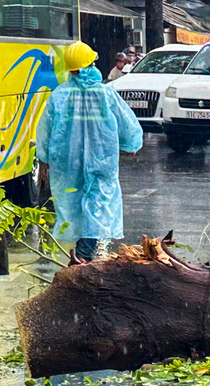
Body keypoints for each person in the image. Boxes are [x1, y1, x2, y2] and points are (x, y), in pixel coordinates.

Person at [36, 41, 145, 261]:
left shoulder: (60, 95)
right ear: (90, 66)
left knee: (72, 204)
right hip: (101, 160)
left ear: (72, 70)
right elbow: (126, 123)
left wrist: (44, 159)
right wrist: (130, 145)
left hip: (67, 163)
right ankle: (84, 254)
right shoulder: (105, 94)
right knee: (98, 205)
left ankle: (82, 252)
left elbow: (44, 130)